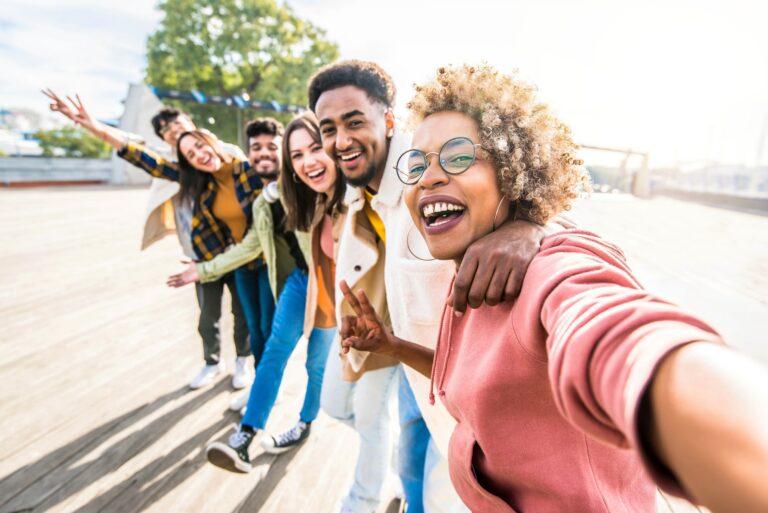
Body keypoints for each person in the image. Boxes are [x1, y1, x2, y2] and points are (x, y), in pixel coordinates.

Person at [339, 64, 768, 513]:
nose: (429, 177)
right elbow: (484, 377)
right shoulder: (474, 268)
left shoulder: (550, 268)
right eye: (418, 162)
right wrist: (393, 346)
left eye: (459, 156)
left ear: (512, 172)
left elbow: (616, 335)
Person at [308, 60, 549, 513]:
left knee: (442, 490)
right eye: (328, 129)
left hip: (471, 392)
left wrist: (531, 229)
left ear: (390, 121)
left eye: (354, 122)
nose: (340, 140)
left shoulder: (423, 174)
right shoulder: (353, 192)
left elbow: (524, 196)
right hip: (417, 362)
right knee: (409, 461)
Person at [42, 90, 256, 390]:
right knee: (208, 316)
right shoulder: (187, 171)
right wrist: (92, 125)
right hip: (203, 253)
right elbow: (142, 155)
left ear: (194, 126)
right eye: (167, 132)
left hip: (241, 252)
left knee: (243, 313)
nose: (174, 133)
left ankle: (242, 361)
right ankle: (211, 361)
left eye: (178, 126)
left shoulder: (234, 160)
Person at [167, 112, 343, 470]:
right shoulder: (270, 200)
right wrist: (201, 271)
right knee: (275, 351)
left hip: (332, 286)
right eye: (297, 155)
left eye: (314, 149)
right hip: (300, 281)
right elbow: (248, 246)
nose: (307, 160)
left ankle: (304, 423)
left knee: (316, 363)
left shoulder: (341, 189)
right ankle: (246, 436)